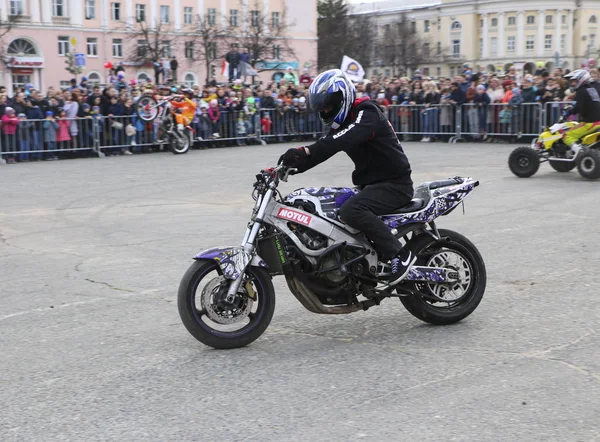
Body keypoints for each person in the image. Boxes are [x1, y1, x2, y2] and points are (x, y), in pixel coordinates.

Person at [277, 69, 416, 285]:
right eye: (322, 107)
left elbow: (339, 141)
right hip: (372, 186)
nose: (325, 110)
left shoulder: (367, 112)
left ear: (344, 96)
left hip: (395, 185)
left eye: (329, 105)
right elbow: (326, 148)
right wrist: (288, 168)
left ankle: (399, 254)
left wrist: (305, 150)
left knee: (352, 210)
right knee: (331, 206)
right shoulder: (345, 123)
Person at [561, 70, 600, 155]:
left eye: (574, 81)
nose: (572, 84)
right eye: (571, 81)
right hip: (597, 121)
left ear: (581, 79)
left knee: (566, 135)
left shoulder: (581, 90)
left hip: (590, 122)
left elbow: (578, 108)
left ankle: (579, 152)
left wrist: (568, 112)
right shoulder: (592, 89)